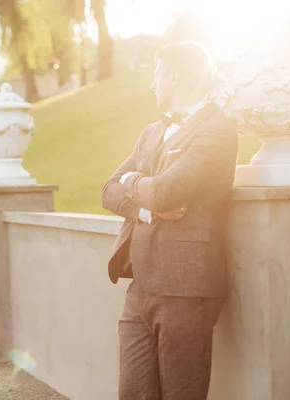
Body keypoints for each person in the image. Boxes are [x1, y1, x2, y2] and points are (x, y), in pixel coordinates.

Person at [101, 41, 238, 400]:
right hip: (140, 286)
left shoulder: (217, 131)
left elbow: (165, 193)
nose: (152, 85)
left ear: (175, 76)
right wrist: (143, 209)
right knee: (131, 393)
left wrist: (134, 182)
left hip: (186, 287)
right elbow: (108, 191)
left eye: (156, 75)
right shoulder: (151, 132)